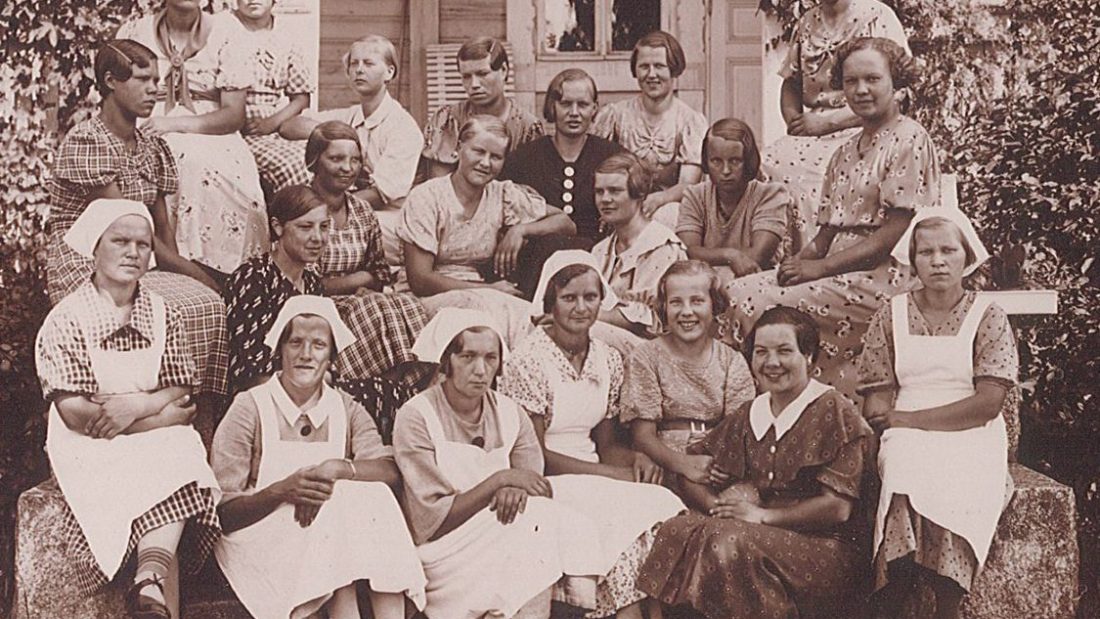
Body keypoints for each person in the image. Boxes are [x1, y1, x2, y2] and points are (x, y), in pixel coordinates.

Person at [722, 37, 940, 399]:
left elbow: (892, 237)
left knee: (757, 305)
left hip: (883, 276)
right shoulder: (845, 151)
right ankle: (749, 410)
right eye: (851, 81)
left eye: (872, 79)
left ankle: (787, 401)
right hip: (838, 270)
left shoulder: (909, 139)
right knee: (736, 289)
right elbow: (825, 235)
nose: (861, 89)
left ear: (895, 84)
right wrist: (795, 266)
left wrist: (819, 270)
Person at [35, 200, 220, 619]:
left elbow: (181, 385)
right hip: (88, 444)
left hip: (148, 430)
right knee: (171, 448)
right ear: (95, 248)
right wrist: (157, 419)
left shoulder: (162, 313)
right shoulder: (67, 319)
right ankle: (151, 582)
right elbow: (76, 413)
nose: (133, 252)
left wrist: (138, 404)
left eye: (142, 243)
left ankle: (149, 581)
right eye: (120, 241)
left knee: (182, 451)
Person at [636, 306, 874, 618]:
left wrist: (760, 516)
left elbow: (838, 508)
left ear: (810, 357)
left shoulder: (833, 409)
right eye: (761, 352)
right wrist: (715, 507)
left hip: (827, 547)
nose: (771, 363)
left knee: (728, 539)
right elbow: (692, 470)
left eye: (784, 351)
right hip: (760, 535)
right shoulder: (752, 413)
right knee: (678, 529)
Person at [212, 295, 427, 619]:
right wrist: (282, 490)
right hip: (261, 537)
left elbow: (388, 469)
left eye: (318, 345)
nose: (306, 354)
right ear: (279, 351)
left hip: (326, 538)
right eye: (296, 342)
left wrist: (336, 468)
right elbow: (224, 514)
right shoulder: (250, 407)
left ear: (331, 358)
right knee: (342, 503)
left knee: (363, 494)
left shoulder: (346, 408)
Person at [500, 252, 686, 618]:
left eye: (591, 297)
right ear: (549, 302)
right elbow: (533, 457)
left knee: (658, 502)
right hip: (549, 481)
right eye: (569, 298)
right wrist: (614, 475)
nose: (581, 308)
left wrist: (635, 460)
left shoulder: (608, 357)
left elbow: (606, 445)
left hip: (594, 475)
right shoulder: (527, 360)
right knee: (623, 523)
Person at [47, 39, 230, 401]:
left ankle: (196, 417)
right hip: (89, 261)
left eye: (157, 79)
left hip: (140, 257)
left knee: (208, 304)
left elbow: (163, 233)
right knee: (190, 301)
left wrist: (192, 277)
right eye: (143, 79)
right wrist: (205, 278)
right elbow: (128, 231)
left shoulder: (151, 146)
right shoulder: (88, 142)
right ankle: (147, 403)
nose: (155, 89)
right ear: (111, 81)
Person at [393, 308, 607, 618]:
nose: (480, 370)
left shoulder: (509, 412)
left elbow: (532, 482)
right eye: (467, 357)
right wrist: (500, 481)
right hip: (444, 552)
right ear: (446, 361)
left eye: (490, 358)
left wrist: (516, 488)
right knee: (539, 523)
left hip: (501, 531)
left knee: (545, 518)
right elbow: (430, 521)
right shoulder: (417, 416)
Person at [860, 209, 1015, 619]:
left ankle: (948, 604)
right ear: (912, 259)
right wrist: (887, 418)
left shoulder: (989, 315)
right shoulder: (890, 315)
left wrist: (907, 420)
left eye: (949, 250)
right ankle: (897, 592)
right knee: (903, 470)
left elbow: (988, 403)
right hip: (905, 431)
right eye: (926, 251)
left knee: (955, 482)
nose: (938, 260)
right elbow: (875, 395)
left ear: (967, 257)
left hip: (972, 432)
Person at [116, 0, 268, 279]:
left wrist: (175, 124)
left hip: (210, 126)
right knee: (162, 161)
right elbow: (119, 96)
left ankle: (226, 275)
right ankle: (164, 266)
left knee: (229, 181)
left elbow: (234, 115)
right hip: (147, 119)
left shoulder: (227, 30)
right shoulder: (136, 31)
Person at [398, 115, 576, 347]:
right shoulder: (427, 197)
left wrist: (521, 230)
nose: (485, 163)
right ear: (459, 149)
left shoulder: (501, 194)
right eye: (478, 151)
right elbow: (420, 280)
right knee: (498, 315)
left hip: (485, 295)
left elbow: (566, 222)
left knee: (536, 319)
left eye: (496, 157)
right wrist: (489, 289)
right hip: (428, 300)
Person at [763, 0, 908, 251]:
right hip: (812, 130)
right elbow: (791, 83)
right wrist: (795, 123)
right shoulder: (807, 23)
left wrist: (827, 122)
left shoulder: (878, 17)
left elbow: (900, 91)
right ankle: (778, 261)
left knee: (818, 172)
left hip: (864, 125)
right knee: (767, 163)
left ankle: (820, 261)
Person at [306, 121, 430, 385]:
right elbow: (305, 282)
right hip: (314, 304)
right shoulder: (300, 206)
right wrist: (359, 280)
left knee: (407, 303)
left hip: (359, 300)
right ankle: (360, 386)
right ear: (314, 161)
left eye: (355, 160)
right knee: (373, 308)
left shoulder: (362, 210)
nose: (347, 168)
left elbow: (380, 271)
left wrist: (367, 281)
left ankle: (400, 387)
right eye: (336, 159)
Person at [621, 261, 756, 484]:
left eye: (697, 301)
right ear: (664, 307)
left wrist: (716, 465)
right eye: (675, 302)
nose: (686, 312)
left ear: (715, 305)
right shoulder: (645, 357)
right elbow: (642, 436)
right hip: (665, 461)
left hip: (718, 461)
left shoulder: (731, 360)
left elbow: (738, 429)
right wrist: (683, 465)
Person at [592, 31, 708, 230]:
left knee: (669, 215)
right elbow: (595, 169)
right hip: (619, 205)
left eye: (659, 66)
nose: (651, 74)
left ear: (674, 69)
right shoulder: (615, 116)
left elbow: (688, 185)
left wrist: (660, 199)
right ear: (635, 70)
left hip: (667, 209)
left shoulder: (690, 121)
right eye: (644, 66)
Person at [499, 68, 625, 247]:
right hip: (539, 257)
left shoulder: (612, 157)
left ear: (594, 108)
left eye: (582, 104)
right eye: (565, 104)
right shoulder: (524, 158)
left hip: (598, 254)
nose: (574, 112)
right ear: (552, 106)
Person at [224, 185, 328, 394]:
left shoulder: (313, 284)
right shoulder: (253, 279)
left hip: (308, 391)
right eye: (306, 227)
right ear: (278, 227)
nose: (317, 237)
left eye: (324, 227)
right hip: (263, 401)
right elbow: (249, 374)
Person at [676, 118, 791, 284]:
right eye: (716, 161)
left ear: (749, 161)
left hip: (754, 281)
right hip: (703, 282)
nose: (725, 171)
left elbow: (757, 256)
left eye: (735, 161)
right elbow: (688, 252)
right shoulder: (695, 195)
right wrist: (730, 255)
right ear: (706, 162)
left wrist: (715, 261)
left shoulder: (770, 195)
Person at [590, 153, 687, 335]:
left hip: (651, 347)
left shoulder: (661, 246)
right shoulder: (600, 250)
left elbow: (646, 319)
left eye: (615, 191)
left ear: (638, 193)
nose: (605, 199)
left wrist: (585, 317)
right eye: (599, 191)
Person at [227, 0, 316, 198]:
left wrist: (272, 123)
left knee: (313, 159)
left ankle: (306, 221)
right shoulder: (221, 28)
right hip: (229, 128)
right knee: (290, 165)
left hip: (272, 128)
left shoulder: (286, 37)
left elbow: (301, 98)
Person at [422, 36, 545, 179]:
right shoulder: (447, 120)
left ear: (504, 70)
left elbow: (531, 188)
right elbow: (438, 184)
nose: (474, 84)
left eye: (482, 74)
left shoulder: (527, 128)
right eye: (467, 76)